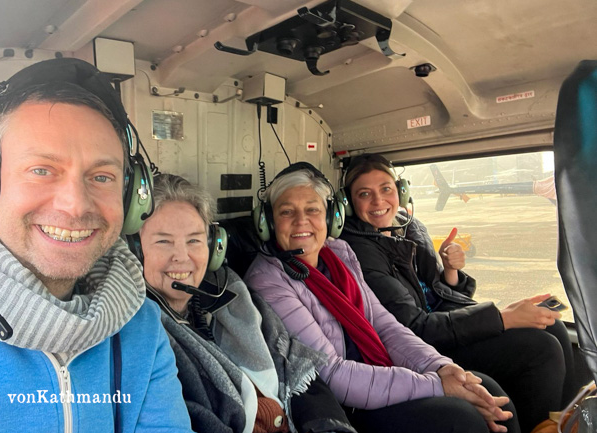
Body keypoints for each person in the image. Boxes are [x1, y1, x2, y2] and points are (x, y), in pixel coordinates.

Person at [0, 58, 193, 432]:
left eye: (101, 176)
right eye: (41, 170)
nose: (76, 205)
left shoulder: (139, 323)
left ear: (130, 198)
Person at [244, 162, 519, 433]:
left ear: (330, 218)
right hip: (344, 406)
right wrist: (435, 384)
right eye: (286, 212)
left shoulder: (339, 254)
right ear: (267, 223)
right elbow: (333, 375)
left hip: (380, 374)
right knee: (461, 418)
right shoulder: (268, 279)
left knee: (485, 388)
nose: (301, 221)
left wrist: (441, 367)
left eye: (312, 210)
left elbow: (385, 325)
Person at [339, 153, 576, 433]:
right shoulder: (358, 249)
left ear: (400, 192)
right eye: (365, 194)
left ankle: (565, 423)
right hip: (426, 345)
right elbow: (414, 327)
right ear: (350, 204)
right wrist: (501, 319)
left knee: (554, 326)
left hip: (445, 324)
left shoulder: (408, 225)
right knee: (541, 348)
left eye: (386, 189)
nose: (379, 201)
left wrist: (450, 273)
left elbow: (436, 292)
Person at [136, 173, 356, 433]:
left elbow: (294, 361)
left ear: (214, 246)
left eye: (194, 240)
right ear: (135, 252)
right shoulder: (139, 333)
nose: (182, 258)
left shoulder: (230, 290)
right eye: (163, 241)